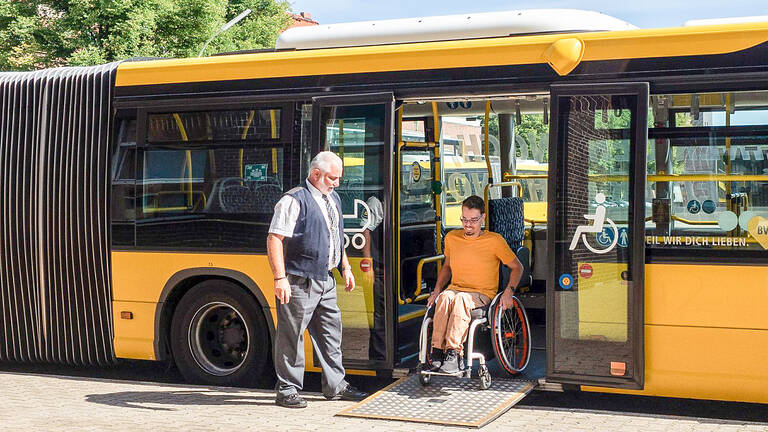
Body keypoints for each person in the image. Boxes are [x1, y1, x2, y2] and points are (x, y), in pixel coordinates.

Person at [267, 151, 368, 408]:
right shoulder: (293, 200)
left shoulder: (332, 198)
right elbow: (274, 239)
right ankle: (288, 389)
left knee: (331, 334)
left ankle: (336, 386)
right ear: (315, 174)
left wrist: (345, 266)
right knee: (292, 335)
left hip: (326, 279)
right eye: (333, 178)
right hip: (299, 280)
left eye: (338, 178)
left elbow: (335, 236)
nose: (337, 183)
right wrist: (280, 278)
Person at [427, 195, 523, 374]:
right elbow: (447, 266)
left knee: (461, 299)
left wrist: (509, 291)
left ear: (483, 218)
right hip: (455, 289)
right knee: (445, 297)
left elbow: (518, 267)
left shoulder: (494, 240)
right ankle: (437, 352)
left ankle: (454, 353)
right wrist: (437, 290)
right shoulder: (451, 238)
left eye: (473, 220)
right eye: (464, 219)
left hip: (482, 293)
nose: (468, 224)